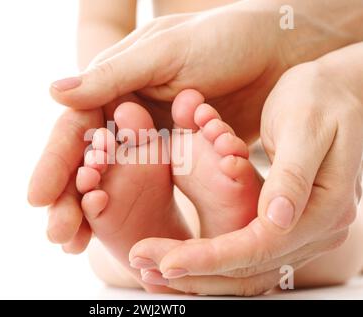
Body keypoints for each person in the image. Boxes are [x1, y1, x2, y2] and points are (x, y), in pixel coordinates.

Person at [28, 0, 363, 295]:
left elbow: (101, 18)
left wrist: (346, 82)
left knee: (330, 207)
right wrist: (117, 84)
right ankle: (208, 238)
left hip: (335, 132)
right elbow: (103, 21)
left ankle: (156, 260)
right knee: (310, 218)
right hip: (180, 144)